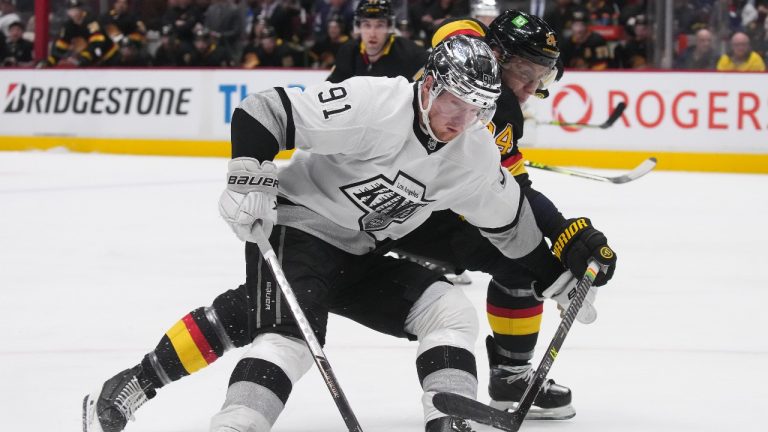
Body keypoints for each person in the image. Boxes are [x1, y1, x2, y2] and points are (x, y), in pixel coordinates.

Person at [82, 35, 592, 432]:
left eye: (478, 109)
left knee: (448, 311)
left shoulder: (474, 152)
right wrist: (248, 175)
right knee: (289, 338)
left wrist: (555, 277)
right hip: (300, 226)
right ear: (430, 86)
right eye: (455, 103)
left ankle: (450, 420)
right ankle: (235, 424)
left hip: (363, 250)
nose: (462, 122)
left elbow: (510, 224)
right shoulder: (376, 104)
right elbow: (264, 110)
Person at [392, 10, 616, 419]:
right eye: (525, 73)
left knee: (520, 258)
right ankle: (511, 377)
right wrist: (557, 232)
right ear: (496, 55)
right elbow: (504, 194)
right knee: (522, 262)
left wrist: (560, 228)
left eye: (541, 77)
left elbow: (510, 184)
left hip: (409, 197)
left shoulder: (470, 66)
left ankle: (510, 376)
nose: (531, 88)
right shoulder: (494, 98)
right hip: (415, 209)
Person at [327, 0, 428, 83]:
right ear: (358, 27)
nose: (372, 34)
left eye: (380, 25)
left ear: (389, 27)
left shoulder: (409, 53)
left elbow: (429, 72)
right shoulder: (348, 51)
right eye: (367, 25)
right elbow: (330, 86)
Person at [47, 0, 120, 67]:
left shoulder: (91, 20)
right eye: (71, 10)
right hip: (93, 61)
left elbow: (97, 41)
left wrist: (85, 55)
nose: (74, 12)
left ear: (81, 9)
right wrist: (51, 60)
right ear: (67, 12)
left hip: (110, 56)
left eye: (76, 9)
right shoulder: (68, 26)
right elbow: (62, 45)